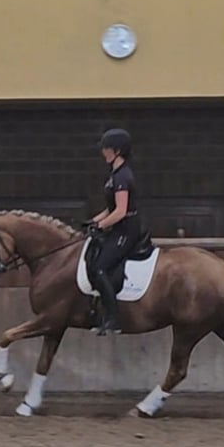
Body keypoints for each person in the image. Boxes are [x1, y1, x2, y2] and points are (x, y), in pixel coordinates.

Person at [84, 128, 144, 335]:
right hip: (118, 228)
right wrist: (92, 221)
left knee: (100, 268)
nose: (103, 152)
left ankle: (113, 319)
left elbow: (120, 211)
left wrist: (100, 226)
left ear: (117, 151)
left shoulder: (123, 177)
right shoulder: (115, 175)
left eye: (106, 148)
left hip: (126, 230)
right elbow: (110, 209)